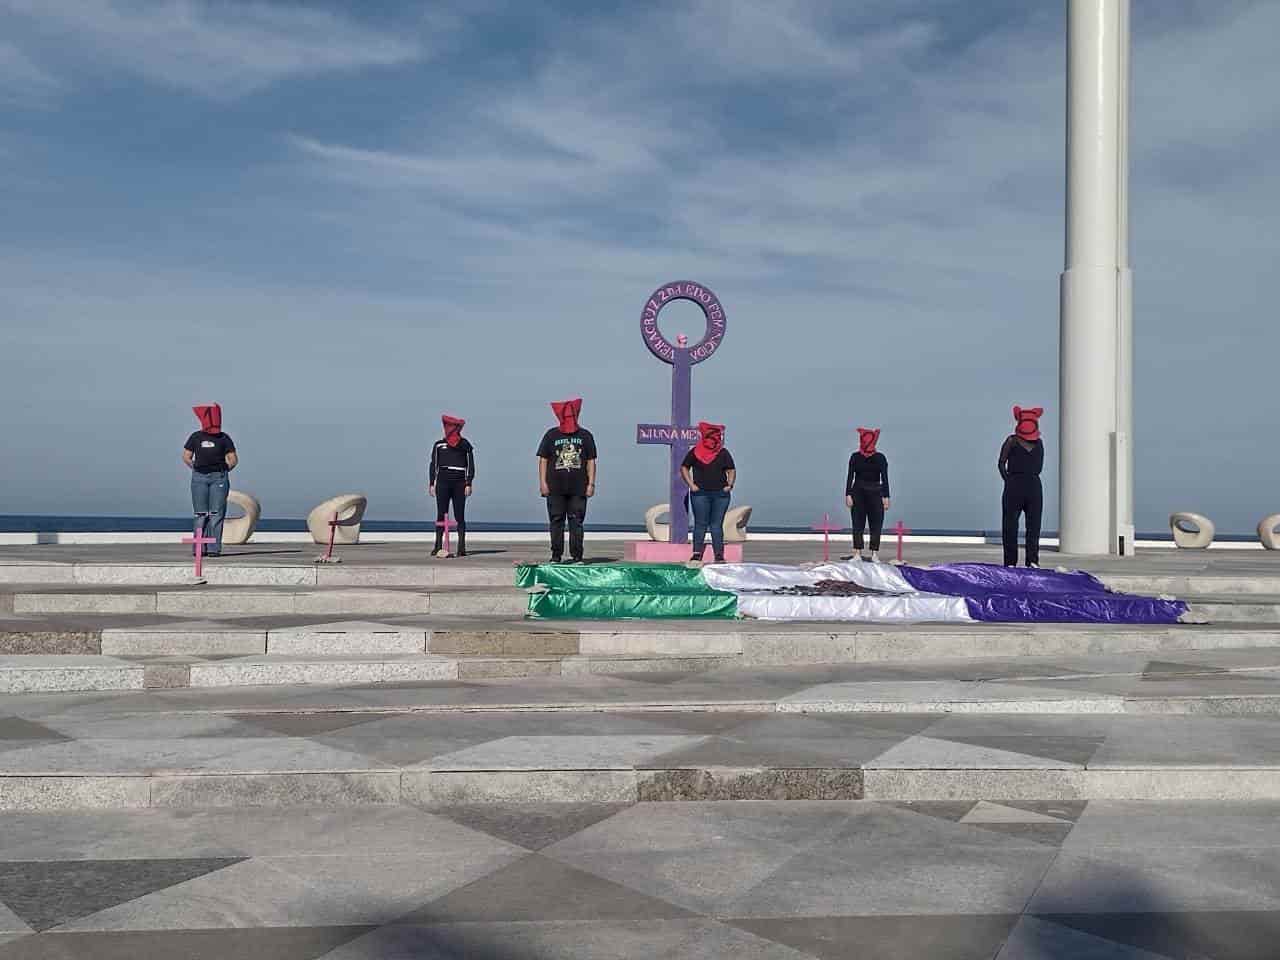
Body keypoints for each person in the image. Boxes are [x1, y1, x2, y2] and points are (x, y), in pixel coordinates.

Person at [536, 398, 597, 564]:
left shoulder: (586, 436)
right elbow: (543, 459)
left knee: (576, 521)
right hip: (555, 487)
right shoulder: (551, 435)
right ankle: (556, 555)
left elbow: (591, 460)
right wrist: (543, 482)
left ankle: (577, 555)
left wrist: (591, 483)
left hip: (579, 487)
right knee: (556, 520)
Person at [182, 404, 237, 557]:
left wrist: (224, 470)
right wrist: (195, 468)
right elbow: (186, 456)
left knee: (216, 514)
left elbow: (233, 459)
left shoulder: (224, 438)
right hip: (199, 478)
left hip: (218, 477)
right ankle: (199, 548)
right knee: (200, 514)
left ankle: (213, 548)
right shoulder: (196, 437)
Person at [680, 422, 735, 566]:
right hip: (700, 494)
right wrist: (691, 485)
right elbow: (684, 467)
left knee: (716, 525)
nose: (714, 440)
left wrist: (730, 485)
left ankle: (719, 555)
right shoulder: (695, 452)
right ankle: (696, 554)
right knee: (700, 524)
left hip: (721, 495)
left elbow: (731, 469)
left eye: (716, 436)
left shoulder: (723, 452)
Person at [999, 405, 1045, 568]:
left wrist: (1008, 479)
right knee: (1033, 527)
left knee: (1010, 526)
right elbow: (1039, 466)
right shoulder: (1039, 443)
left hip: (1015, 484)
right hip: (1033, 484)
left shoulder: (1011, 441)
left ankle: (1010, 563)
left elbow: (1001, 463)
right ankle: (1032, 561)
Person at [429, 414, 474, 558]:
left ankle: (461, 547)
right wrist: (432, 483)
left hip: (460, 482)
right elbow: (433, 465)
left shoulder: (465, 445)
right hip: (442, 481)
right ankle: (437, 546)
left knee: (460, 515)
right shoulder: (439, 445)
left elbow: (470, 465)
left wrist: (469, 482)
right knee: (441, 513)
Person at [844, 427, 890, 562]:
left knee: (876, 523)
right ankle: (857, 553)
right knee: (857, 523)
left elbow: (885, 478)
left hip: (876, 492)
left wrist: (886, 497)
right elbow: (850, 476)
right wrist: (848, 494)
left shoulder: (880, 458)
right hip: (857, 492)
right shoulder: (855, 457)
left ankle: (874, 553)